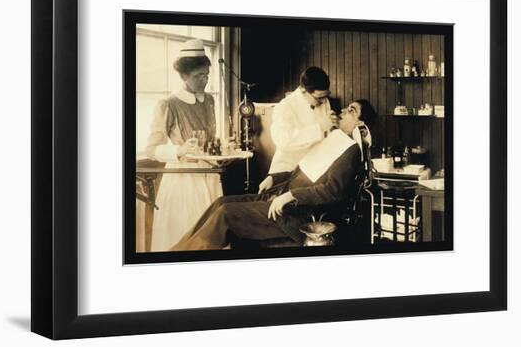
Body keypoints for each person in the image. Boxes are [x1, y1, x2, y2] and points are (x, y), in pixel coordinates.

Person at [171, 99, 377, 251]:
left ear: (359, 125)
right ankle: (179, 249)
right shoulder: (333, 138)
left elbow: (333, 192)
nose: (343, 110)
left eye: (351, 111)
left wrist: (292, 196)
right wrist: (274, 178)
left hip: (297, 212)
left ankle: (183, 258)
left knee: (226, 213)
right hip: (280, 194)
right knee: (220, 201)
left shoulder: (351, 151)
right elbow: (301, 170)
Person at [145, 39, 223, 251]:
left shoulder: (208, 100)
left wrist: (223, 145)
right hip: (183, 179)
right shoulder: (168, 104)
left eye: (207, 74)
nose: (205, 80)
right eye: (199, 76)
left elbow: (210, 138)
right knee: (187, 237)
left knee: (212, 237)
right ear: (183, 76)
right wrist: (179, 150)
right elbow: (151, 148)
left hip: (209, 174)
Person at [258, 66, 339, 194]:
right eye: (319, 98)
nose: (323, 101)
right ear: (302, 90)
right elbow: (284, 142)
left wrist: (333, 126)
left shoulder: (324, 102)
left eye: (326, 96)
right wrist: (321, 127)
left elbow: (326, 136)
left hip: (312, 170)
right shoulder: (284, 107)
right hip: (287, 170)